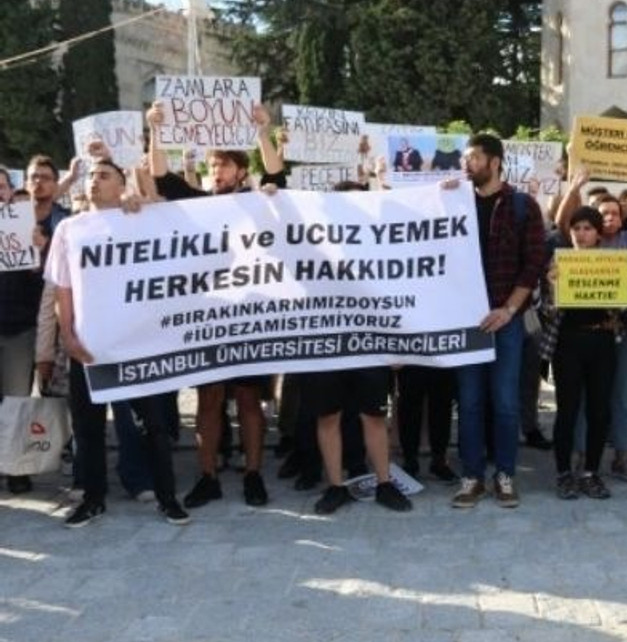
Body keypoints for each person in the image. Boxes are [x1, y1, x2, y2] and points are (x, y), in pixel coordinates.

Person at [146, 100, 286, 509]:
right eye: (213, 165)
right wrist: (155, 129)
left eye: (225, 165)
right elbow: (159, 175)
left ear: (241, 171)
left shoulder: (259, 200)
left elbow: (277, 172)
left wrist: (263, 130)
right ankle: (207, 475)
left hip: (249, 314)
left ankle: (253, 473)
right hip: (208, 316)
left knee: (248, 401)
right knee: (208, 399)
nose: (217, 172)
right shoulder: (196, 201)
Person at [47, 159, 189, 526]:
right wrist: (68, 335)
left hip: (136, 344)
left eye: (104, 176)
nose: (94, 181)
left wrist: (143, 200)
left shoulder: (138, 218)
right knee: (88, 428)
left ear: (121, 185)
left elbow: (175, 222)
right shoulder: (69, 228)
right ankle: (93, 499)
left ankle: (167, 497)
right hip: (88, 347)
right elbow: (63, 289)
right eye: (92, 175)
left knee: (153, 424)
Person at [447, 134, 547, 510]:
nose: (466, 164)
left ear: (494, 162)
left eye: (473, 158)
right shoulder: (455, 204)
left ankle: (504, 475)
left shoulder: (523, 207)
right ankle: (471, 476)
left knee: (505, 403)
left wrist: (508, 310)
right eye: (464, 157)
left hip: (508, 321)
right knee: (470, 403)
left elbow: (533, 263)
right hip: (467, 322)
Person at [308, 179, 413, 515]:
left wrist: (397, 345)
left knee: (373, 416)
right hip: (327, 345)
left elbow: (402, 294)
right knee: (328, 417)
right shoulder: (313, 245)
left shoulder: (381, 247)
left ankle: (384, 483)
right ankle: (335, 486)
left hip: (372, 345)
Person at [556, 168, 627, 479]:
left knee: (619, 395)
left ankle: (622, 454)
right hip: (582, 337)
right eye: (605, 214)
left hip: (622, 331)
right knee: (585, 399)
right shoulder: (580, 248)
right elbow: (563, 223)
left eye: (616, 213)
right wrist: (574, 187)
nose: (611, 218)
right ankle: (579, 454)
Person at [543, 206, 627, 500]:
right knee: (567, 411)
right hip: (568, 343)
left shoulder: (613, 264)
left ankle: (592, 471)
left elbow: (621, 309)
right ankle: (563, 473)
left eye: (588, 228)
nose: (582, 234)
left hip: (602, 342)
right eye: (577, 228)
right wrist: (553, 289)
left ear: (597, 234)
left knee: (599, 410)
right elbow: (547, 311)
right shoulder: (559, 264)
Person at [1, 156, 70, 495]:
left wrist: (40, 253)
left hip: (19, 327)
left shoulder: (30, 227)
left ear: (9, 192)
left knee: (16, 400)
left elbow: (46, 283)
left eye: (0, 187)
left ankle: (16, 468)